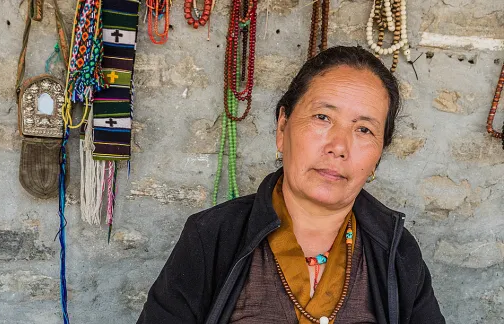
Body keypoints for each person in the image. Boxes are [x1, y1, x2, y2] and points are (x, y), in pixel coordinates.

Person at [137, 46, 445, 324]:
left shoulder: (396, 250)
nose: (339, 146)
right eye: (323, 117)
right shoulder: (211, 236)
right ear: (283, 127)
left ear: (378, 154)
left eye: (364, 129)